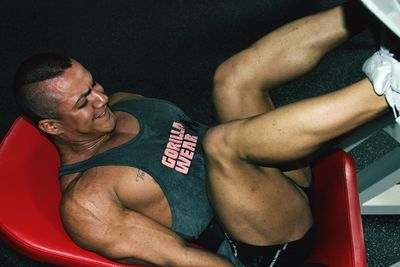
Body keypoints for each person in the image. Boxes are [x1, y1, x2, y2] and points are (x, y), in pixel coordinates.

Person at [12, 2, 399, 266]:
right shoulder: (88, 203)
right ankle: (388, 91)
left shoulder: (124, 103)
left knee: (232, 77)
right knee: (222, 144)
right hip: (268, 242)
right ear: (51, 126)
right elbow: (176, 257)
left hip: (272, 174)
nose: (101, 98)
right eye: (83, 102)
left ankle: (370, 11)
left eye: (94, 84)